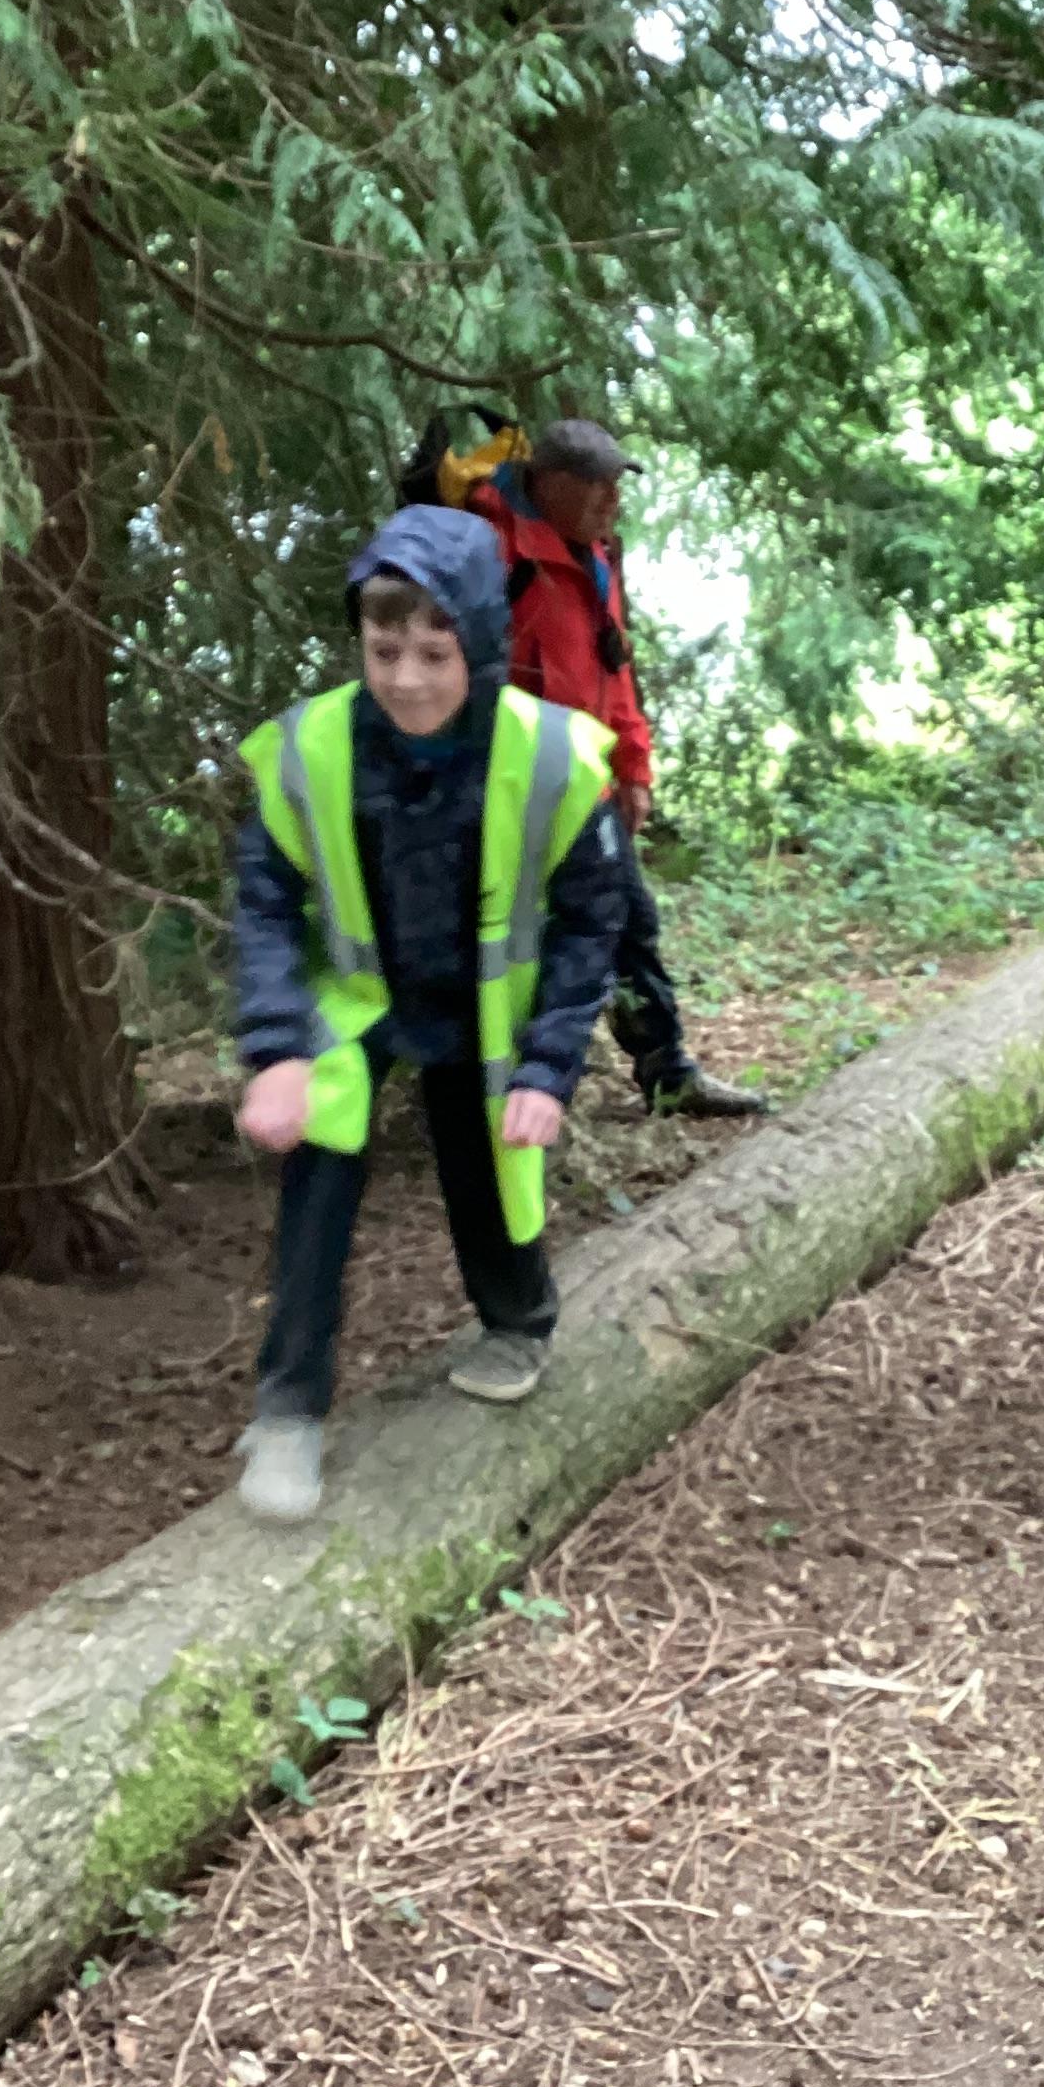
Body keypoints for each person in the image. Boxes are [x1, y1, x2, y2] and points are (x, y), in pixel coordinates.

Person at [230, 507, 625, 1521]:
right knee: (318, 1179)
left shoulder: (552, 755)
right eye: (384, 651)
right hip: (357, 1004)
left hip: (482, 1011)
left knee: (482, 1152)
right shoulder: (313, 746)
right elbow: (266, 901)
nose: (406, 679)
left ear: (479, 645)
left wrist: (549, 1064)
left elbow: (592, 922)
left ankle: (517, 1323)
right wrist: (277, 1046)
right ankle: (288, 1411)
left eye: (434, 655)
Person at [461, 421, 766, 1120]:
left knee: (629, 922)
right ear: (551, 483)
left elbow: (612, 664)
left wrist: (633, 767)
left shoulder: (592, 554)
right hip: (514, 790)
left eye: (616, 485)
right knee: (524, 942)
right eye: (597, 486)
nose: (613, 501)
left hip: (585, 783)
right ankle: (507, 1092)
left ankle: (666, 1072)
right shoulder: (492, 546)